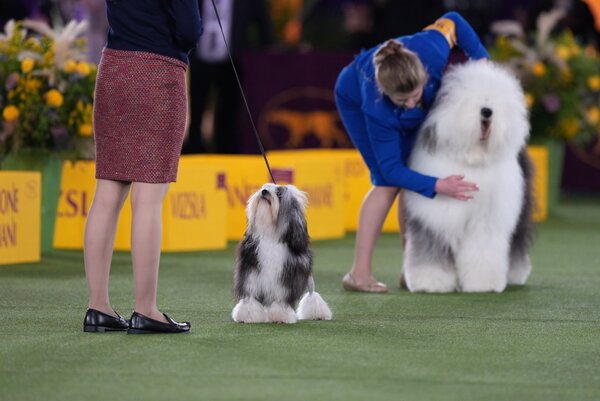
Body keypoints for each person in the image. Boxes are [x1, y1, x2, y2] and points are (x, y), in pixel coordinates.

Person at [334, 11, 488, 293]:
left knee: (414, 171)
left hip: (406, 79)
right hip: (352, 94)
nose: (409, 104)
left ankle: (413, 270)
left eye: (415, 96)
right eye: (401, 100)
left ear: (424, 77)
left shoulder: (431, 48)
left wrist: (481, 58)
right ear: (386, 92)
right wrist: (438, 185)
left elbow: (453, 19)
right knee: (388, 182)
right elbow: (392, 169)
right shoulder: (377, 107)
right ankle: (358, 274)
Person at [83, 0, 202, 333]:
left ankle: (98, 308)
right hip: (157, 74)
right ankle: (146, 309)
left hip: (113, 70)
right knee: (148, 199)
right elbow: (189, 31)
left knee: (106, 192)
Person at [182, 0, 272, 154]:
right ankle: (194, 152)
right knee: (196, 109)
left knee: (228, 112)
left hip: (232, 62)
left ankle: (225, 153)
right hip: (199, 59)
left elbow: (262, 22)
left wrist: (267, 55)